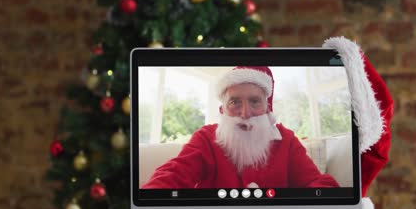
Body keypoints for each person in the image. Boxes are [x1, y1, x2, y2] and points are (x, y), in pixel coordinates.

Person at [142, 66, 340, 189]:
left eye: (255, 101)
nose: (245, 114)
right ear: (222, 109)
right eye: (235, 102)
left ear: (267, 107)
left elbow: (315, 183)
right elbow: (174, 175)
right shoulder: (206, 138)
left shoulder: (286, 140)